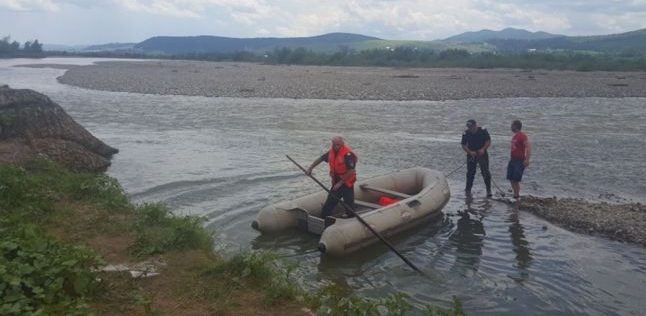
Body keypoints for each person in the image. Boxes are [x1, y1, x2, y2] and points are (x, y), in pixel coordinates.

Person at [306, 136, 358, 219]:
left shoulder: (348, 154)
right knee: (330, 201)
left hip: (347, 182)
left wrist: (340, 183)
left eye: (338, 144)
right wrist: (310, 168)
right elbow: (320, 159)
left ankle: (350, 216)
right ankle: (324, 217)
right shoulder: (331, 152)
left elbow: (351, 171)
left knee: (349, 203)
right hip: (336, 181)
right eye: (334, 144)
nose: (336, 146)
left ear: (342, 144)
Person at [461, 119, 492, 197]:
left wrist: (483, 149)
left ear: (475, 125)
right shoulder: (466, 133)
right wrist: (470, 152)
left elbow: (488, 141)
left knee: (485, 172)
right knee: (470, 173)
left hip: (482, 153)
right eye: (468, 127)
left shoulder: (483, 130)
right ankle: (468, 190)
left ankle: (488, 190)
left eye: (471, 127)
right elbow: (463, 145)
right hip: (471, 154)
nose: (470, 129)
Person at [507, 120, 531, 200]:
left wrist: (527, 159)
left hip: (519, 160)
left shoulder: (522, 135)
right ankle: (515, 194)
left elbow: (528, 147)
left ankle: (516, 196)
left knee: (515, 179)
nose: (511, 127)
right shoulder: (514, 136)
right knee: (510, 177)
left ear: (515, 126)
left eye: (512, 125)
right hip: (512, 160)